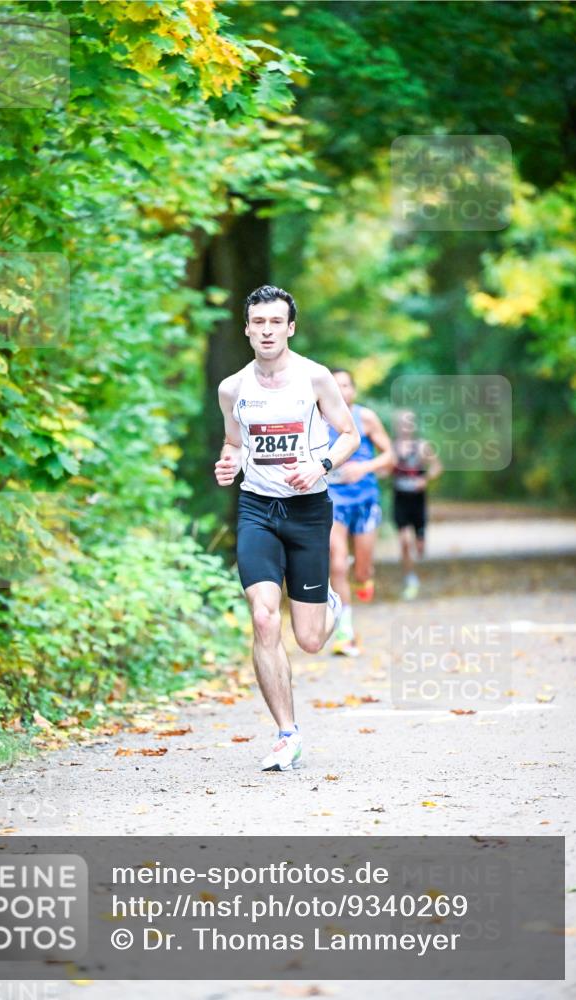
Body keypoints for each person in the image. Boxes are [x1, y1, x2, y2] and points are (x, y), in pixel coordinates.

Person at [214, 285, 360, 772]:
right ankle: (286, 734)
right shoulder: (233, 388)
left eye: (277, 322)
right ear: (248, 328)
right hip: (258, 509)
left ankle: (329, 605)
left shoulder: (314, 378)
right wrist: (227, 464)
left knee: (312, 640)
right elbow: (233, 443)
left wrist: (319, 465)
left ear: (290, 327)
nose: (267, 330)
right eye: (259, 323)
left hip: (308, 511)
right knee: (262, 616)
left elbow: (349, 435)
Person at [326, 369, 394, 656]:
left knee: (362, 569)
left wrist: (363, 468)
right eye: (335, 386)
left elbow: (391, 455)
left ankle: (364, 575)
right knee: (337, 565)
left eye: (346, 385)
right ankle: (345, 633)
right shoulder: (317, 420)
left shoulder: (365, 418)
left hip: (365, 499)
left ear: (354, 390)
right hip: (332, 500)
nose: (341, 391)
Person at [392, 409, 443, 600]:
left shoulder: (422, 447)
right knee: (405, 541)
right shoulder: (392, 448)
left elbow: (437, 466)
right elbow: (384, 468)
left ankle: (420, 543)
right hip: (400, 499)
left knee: (418, 547)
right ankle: (410, 578)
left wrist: (426, 479)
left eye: (409, 422)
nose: (406, 426)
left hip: (418, 500)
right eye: (403, 423)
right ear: (397, 426)